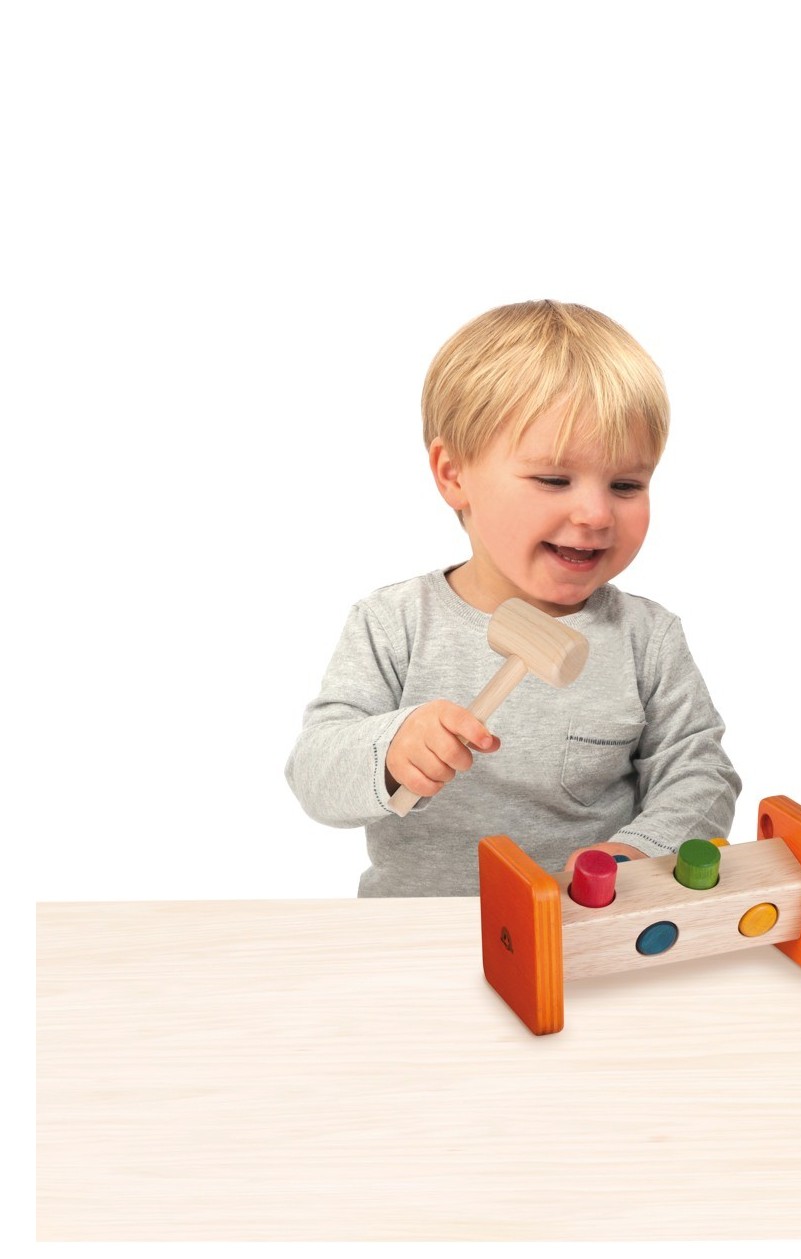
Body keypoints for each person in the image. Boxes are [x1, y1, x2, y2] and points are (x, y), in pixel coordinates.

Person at [285, 300, 741, 897]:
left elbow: (701, 774)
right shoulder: (393, 623)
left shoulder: (647, 638)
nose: (595, 513)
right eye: (553, 479)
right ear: (454, 474)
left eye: (627, 484)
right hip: (421, 927)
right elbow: (313, 773)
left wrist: (640, 850)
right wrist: (391, 749)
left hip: (579, 924)